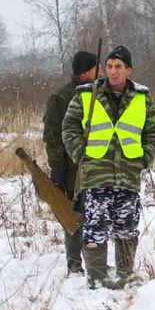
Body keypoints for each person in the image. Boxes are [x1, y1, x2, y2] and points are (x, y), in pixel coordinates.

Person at [62, 45, 155, 289]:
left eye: (118, 67)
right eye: (109, 66)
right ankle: (97, 278)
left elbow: (152, 131)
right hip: (96, 173)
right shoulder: (87, 94)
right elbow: (69, 127)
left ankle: (126, 273)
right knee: (95, 226)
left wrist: (144, 158)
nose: (113, 71)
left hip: (128, 172)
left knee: (127, 226)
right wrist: (81, 155)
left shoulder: (141, 98)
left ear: (129, 70)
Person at [43, 51, 101, 275]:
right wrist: (57, 170)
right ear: (86, 72)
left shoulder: (98, 93)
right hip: (71, 168)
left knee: (96, 214)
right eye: (97, 68)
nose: (102, 72)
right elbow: (52, 137)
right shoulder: (61, 97)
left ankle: (95, 263)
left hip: (96, 166)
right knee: (73, 215)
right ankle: (75, 264)